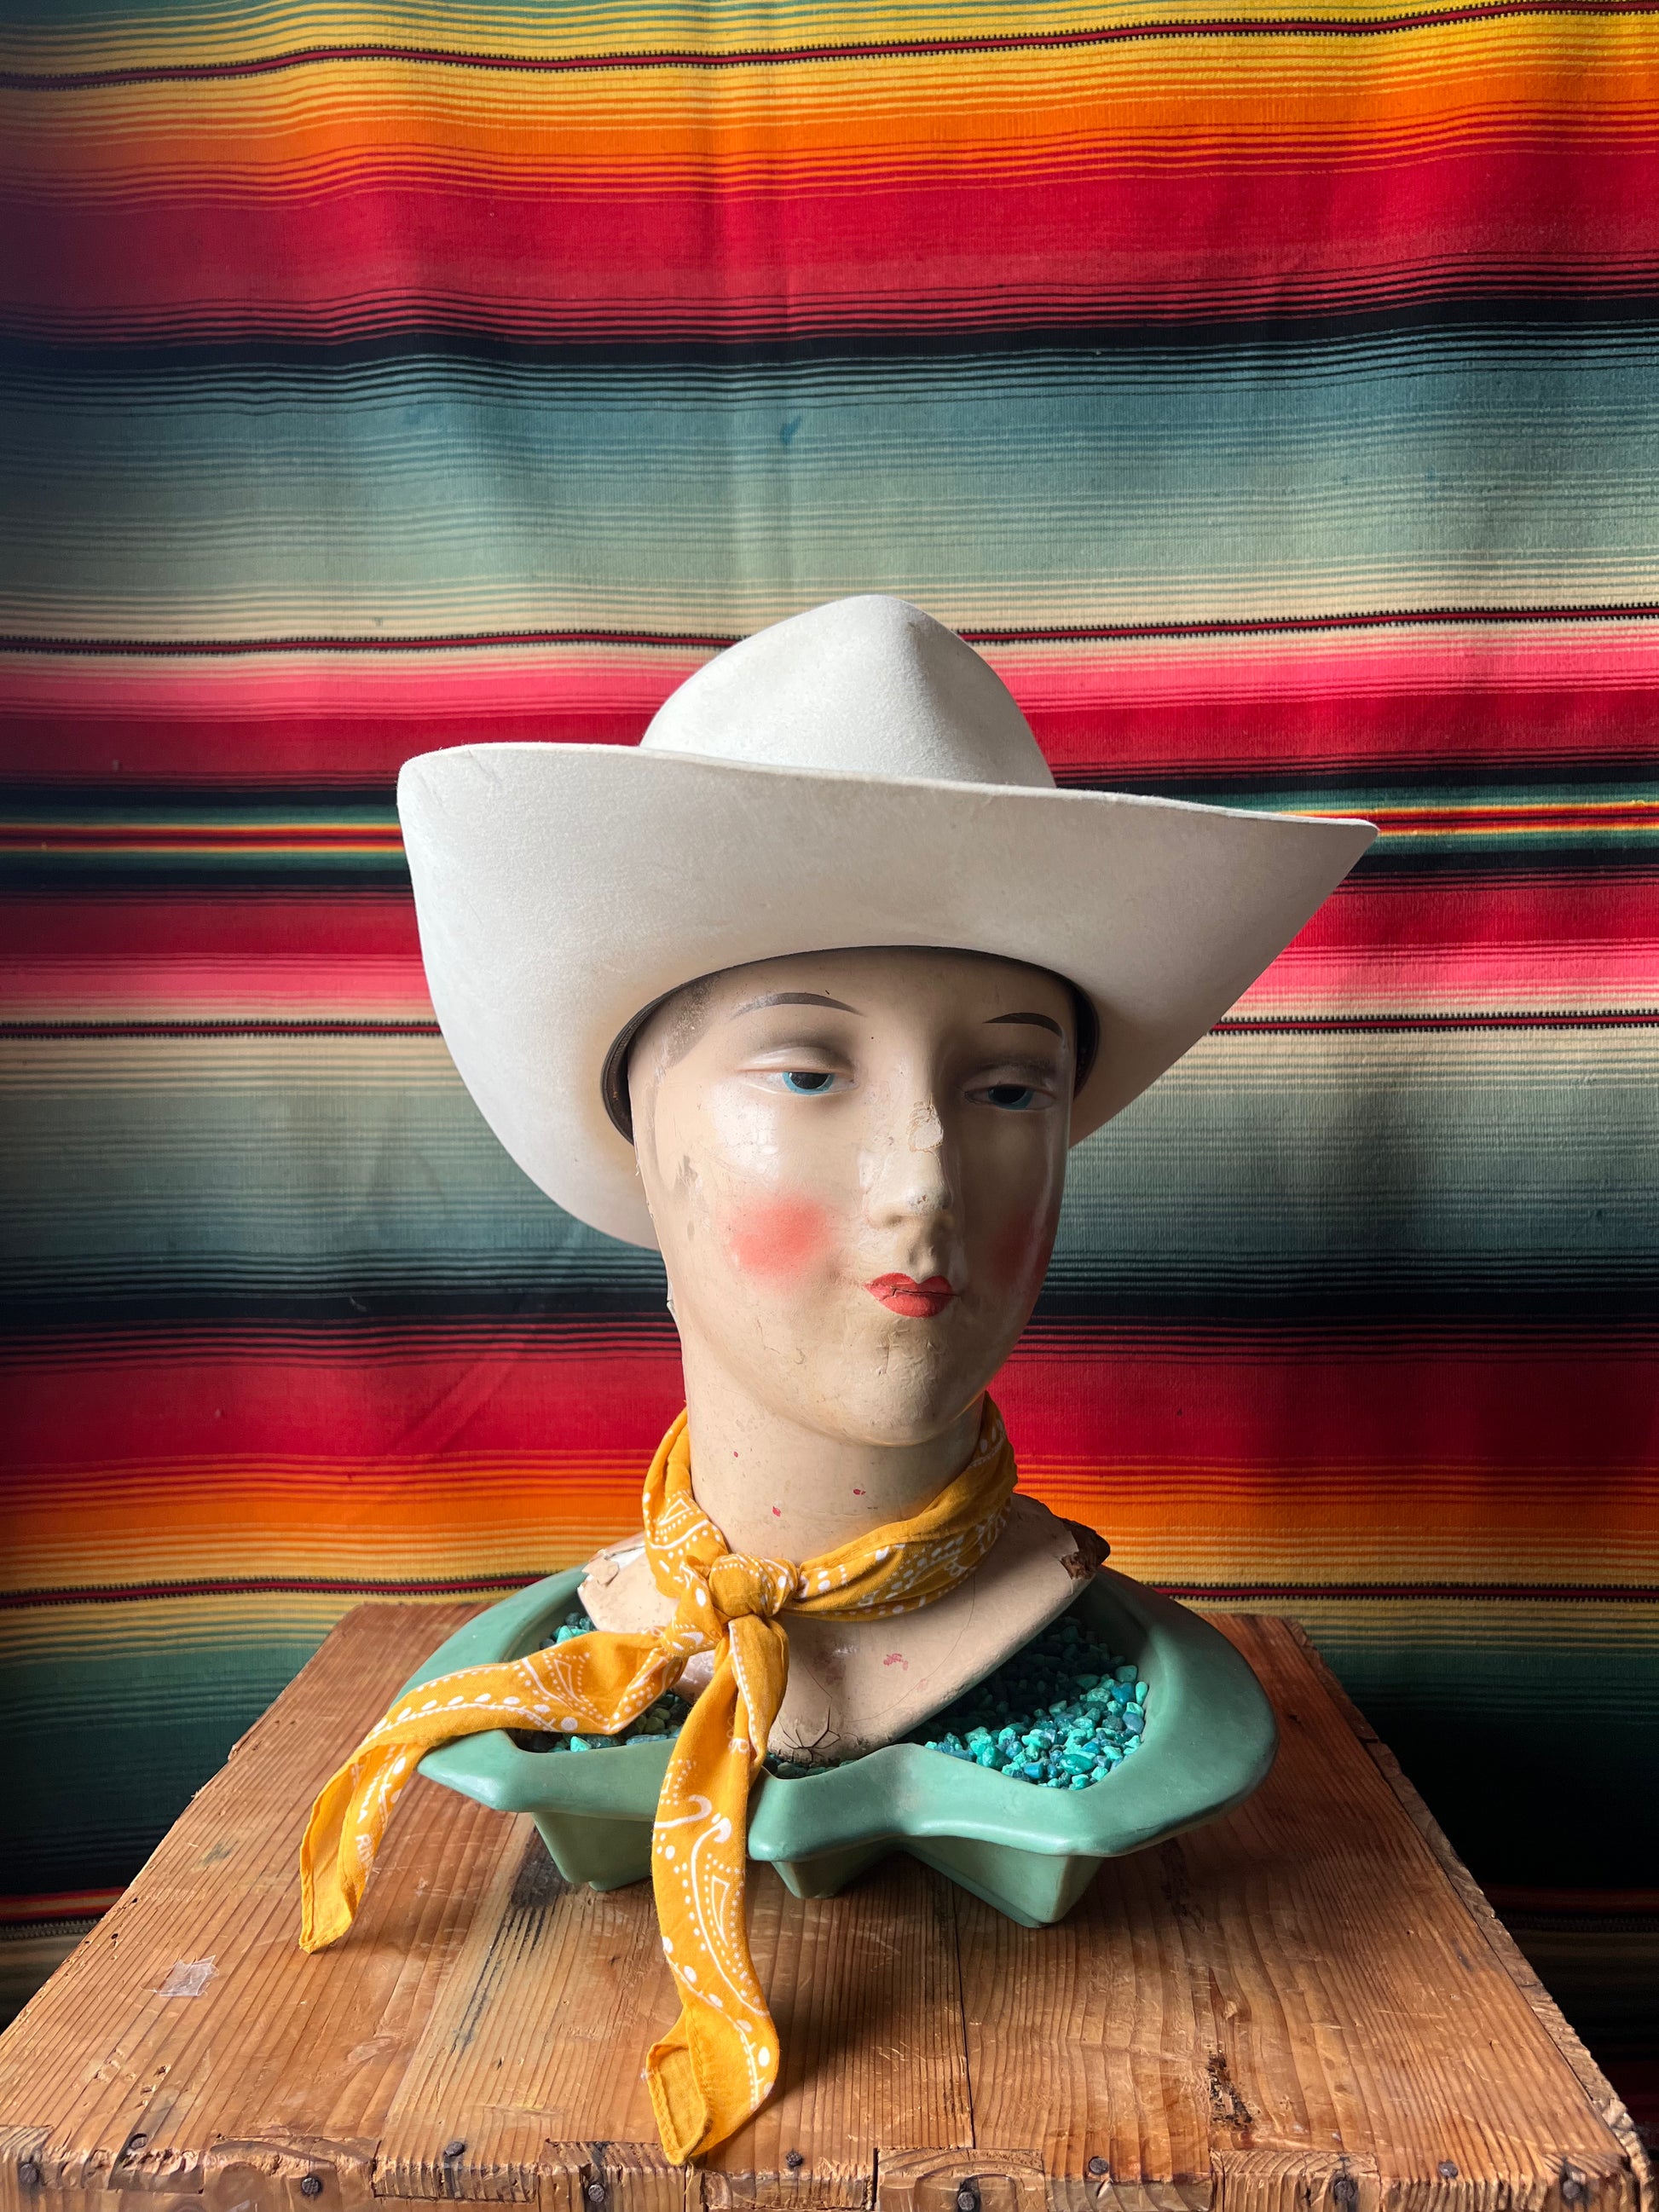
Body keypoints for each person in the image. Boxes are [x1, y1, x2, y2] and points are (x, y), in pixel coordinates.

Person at [298, 595, 1374, 2163]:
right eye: (806, 1071)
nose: (922, 1176)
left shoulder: (1107, 1669)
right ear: (642, 1137)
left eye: (1008, 1088)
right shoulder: (576, 1657)